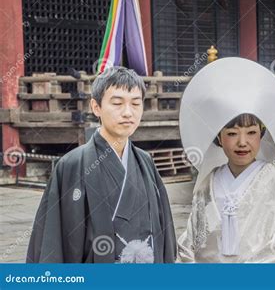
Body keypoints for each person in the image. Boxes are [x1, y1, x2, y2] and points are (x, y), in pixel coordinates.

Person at [27, 67, 176, 263]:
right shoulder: (71, 165)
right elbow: (52, 239)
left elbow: (163, 231)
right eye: (117, 103)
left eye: (136, 103)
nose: (128, 112)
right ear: (96, 107)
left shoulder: (145, 162)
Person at [177, 57, 275, 263]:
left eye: (251, 132)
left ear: (261, 135)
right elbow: (190, 243)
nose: (242, 142)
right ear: (219, 137)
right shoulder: (207, 185)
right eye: (232, 133)